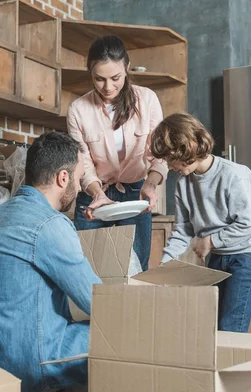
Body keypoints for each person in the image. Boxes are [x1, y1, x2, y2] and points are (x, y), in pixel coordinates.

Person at [0, 132, 101, 392]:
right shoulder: (49, 225)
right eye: (78, 177)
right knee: (120, 334)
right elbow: (97, 301)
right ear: (63, 178)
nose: (82, 187)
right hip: (28, 369)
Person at [150, 113, 251, 333]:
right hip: (217, 259)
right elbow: (182, 230)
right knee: (211, 327)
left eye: (171, 159)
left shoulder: (234, 175)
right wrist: (165, 265)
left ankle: (231, 368)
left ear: (188, 147)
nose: (169, 166)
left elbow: (248, 225)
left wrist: (210, 241)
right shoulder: (183, 184)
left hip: (247, 258)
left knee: (231, 327)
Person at [66, 35, 168, 271]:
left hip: (136, 192)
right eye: (99, 79)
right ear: (90, 72)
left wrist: (152, 183)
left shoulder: (148, 100)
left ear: (127, 68)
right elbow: (83, 162)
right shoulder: (78, 109)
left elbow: (159, 153)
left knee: (134, 269)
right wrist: (96, 193)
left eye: (115, 78)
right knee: (88, 268)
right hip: (94, 194)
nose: (108, 87)